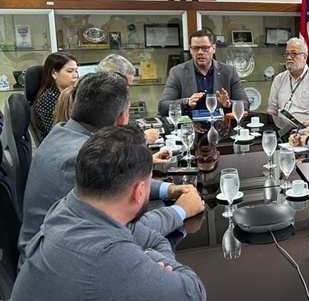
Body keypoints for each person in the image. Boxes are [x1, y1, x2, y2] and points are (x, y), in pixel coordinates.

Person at [0, 125, 207, 301]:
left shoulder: (69, 208)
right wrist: (155, 259)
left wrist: (160, 236)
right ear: (139, 192)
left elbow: (139, 230)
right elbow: (192, 295)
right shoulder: (103, 253)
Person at [18, 71, 199, 270]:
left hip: (54, 255)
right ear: (121, 119)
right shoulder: (79, 159)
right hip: (55, 270)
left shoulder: (62, 132)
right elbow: (122, 230)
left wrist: (168, 189)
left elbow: (119, 180)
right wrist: (180, 211)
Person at [158, 29, 249, 116]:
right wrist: (186, 102)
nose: (200, 52)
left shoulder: (229, 72)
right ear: (190, 49)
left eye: (205, 48)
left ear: (213, 48)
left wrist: (229, 104)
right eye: (195, 48)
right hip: (190, 128)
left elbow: (245, 105)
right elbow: (163, 107)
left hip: (221, 127)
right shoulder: (177, 72)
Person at [267, 37, 309, 132]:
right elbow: (272, 109)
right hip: (282, 131)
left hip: (308, 132)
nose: (288, 57)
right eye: (287, 54)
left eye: (294, 54)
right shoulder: (279, 79)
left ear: (304, 57)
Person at [98, 54, 159, 144]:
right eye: (125, 86)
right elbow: (112, 145)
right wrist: (143, 139)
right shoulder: (99, 103)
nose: (127, 91)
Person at [34, 51, 78, 139]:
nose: (75, 75)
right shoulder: (47, 100)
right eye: (70, 71)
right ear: (54, 73)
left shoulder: (73, 94)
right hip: (61, 147)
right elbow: (59, 134)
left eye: (76, 71)